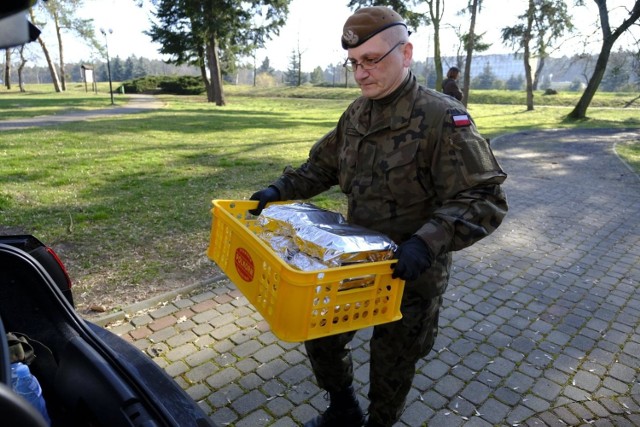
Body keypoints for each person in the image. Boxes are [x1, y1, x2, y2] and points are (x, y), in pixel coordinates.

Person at [249, 6, 508, 427]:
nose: (362, 73)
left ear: (405, 54)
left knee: (392, 366)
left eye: (372, 60)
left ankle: (379, 422)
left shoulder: (443, 118)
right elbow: (323, 167)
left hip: (412, 273)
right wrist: (279, 190)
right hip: (352, 265)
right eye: (354, 63)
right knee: (321, 336)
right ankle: (343, 408)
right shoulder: (356, 114)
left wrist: (427, 242)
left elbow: (485, 197)